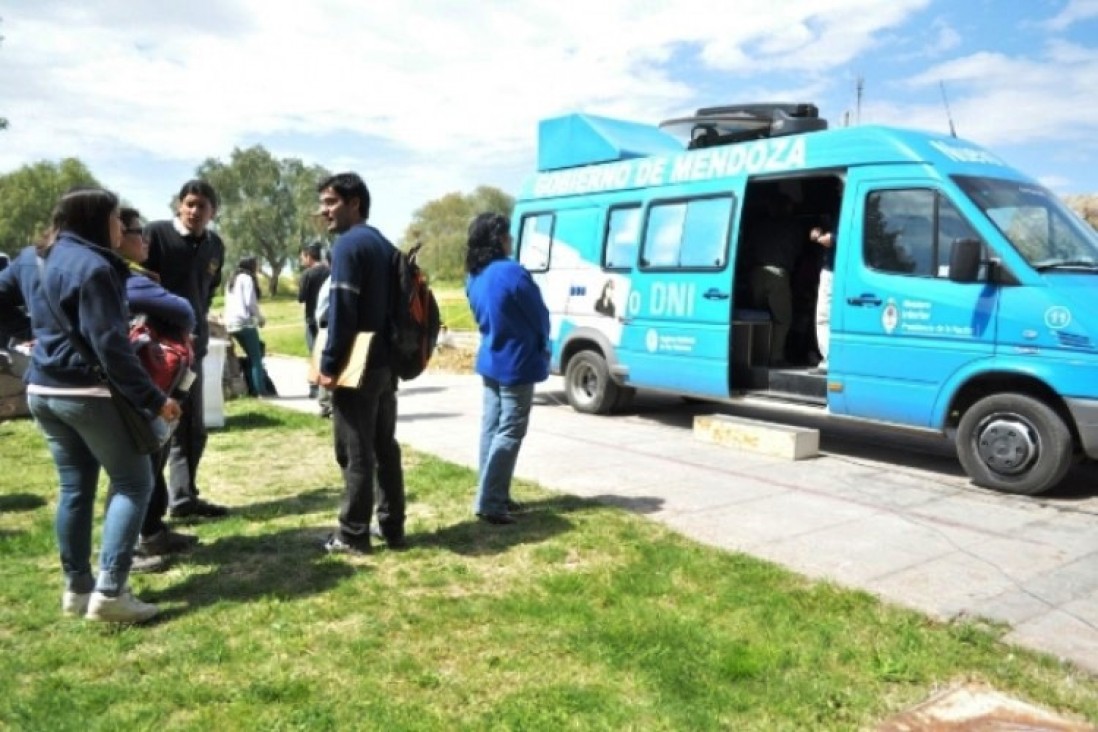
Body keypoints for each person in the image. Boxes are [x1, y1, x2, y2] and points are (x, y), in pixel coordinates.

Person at [0, 187, 182, 622]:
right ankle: (111, 592)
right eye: (118, 218)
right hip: (89, 394)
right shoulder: (96, 267)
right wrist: (156, 400)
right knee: (134, 483)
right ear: (96, 220)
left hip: (43, 392)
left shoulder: (31, 257)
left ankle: (77, 589)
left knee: (75, 488)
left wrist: (23, 336)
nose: (123, 226)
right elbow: (111, 349)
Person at [316, 172, 405, 553]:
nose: (324, 212)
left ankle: (353, 534)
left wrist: (329, 364)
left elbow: (343, 312)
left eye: (331, 203)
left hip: (358, 365)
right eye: (322, 204)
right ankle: (392, 526)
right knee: (384, 447)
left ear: (355, 204)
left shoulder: (349, 246)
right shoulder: (383, 243)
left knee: (354, 451)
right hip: (386, 363)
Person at [117, 207, 200, 566]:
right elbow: (184, 310)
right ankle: (134, 547)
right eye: (138, 232)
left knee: (154, 456)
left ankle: (152, 531)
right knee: (142, 465)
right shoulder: (128, 278)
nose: (146, 239)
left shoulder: (132, 275)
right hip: (140, 385)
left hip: (143, 383)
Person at [144, 180, 228, 519]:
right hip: (157, 353)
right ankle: (151, 512)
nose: (194, 211)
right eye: (189, 203)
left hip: (194, 352)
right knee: (157, 427)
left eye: (202, 206)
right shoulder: (156, 236)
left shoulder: (215, 246)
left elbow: (207, 292)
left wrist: (195, 326)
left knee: (192, 426)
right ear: (179, 205)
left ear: (213, 212)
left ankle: (184, 497)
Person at [464, 212, 550, 525]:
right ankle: (490, 501)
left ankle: (494, 493)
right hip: (517, 360)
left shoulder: (474, 275)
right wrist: (543, 342)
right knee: (510, 430)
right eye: (508, 235)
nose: (511, 239)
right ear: (498, 239)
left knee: (492, 428)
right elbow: (539, 315)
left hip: (490, 357)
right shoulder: (512, 272)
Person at [745, 195, 803, 367]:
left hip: (756, 273)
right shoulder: (793, 226)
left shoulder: (759, 226)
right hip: (778, 274)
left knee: (760, 317)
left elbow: (748, 249)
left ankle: (757, 356)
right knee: (782, 319)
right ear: (788, 208)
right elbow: (798, 251)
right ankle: (775, 358)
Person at [224, 256, 270, 397]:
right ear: (251, 266)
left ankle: (251, 388)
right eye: (256, 265)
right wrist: (260, 318)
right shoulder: (247, 279)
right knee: (256, 358)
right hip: (245, 323)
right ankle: (260, 392)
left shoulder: (231, 280)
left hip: (231, 323)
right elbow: (250, 303)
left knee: (248, 356)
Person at [297, 241, 329, 398]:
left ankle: (315, 387)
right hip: (327, 318)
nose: (302, 260)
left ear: (309, 256)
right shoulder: (329, 271)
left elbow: (301, 298)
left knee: (314, 352)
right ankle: (327, 385)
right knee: (327, 351)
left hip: (311, 319)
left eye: (303, 257)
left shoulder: (307, 275)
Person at [810, 225, 835, 374]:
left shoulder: (841, 213)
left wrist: (818, 237)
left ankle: (828, 359)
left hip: (832, 272)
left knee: (824, 318)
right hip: (836, 272)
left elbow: (830, 240)